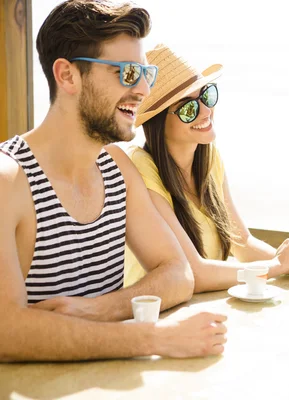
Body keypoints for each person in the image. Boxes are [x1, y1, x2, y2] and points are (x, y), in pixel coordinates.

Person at [0, 0, 226, 362]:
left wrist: (98, 310)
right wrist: (153, 339)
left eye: (146, 74)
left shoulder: (117, 168)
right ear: (68, 75)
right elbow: (6, 331)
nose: (143, 91)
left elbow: (178, 273)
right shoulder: (8, 180)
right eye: (127, 74)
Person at [124, 44, 289, 292]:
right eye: (189, 108)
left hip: (202, 312)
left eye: (206, 95)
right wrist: (276, 267)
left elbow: (242, 243)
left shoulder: (209, 160)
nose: (207, 110)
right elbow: (192, 272)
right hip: (153, 315)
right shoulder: (140, 167)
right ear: (157, 123)